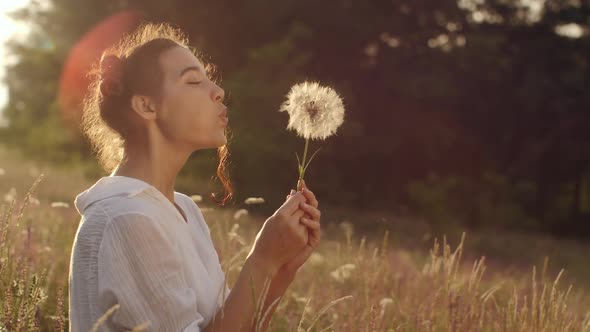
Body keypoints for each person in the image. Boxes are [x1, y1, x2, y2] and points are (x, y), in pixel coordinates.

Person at [68, 22, 321, 332]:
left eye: (209, 80)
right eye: (193, 81)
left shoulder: (183, 211)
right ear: (146, 105)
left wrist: (280, 270)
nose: (218, 91)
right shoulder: (127, 219)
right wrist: (262, 260)